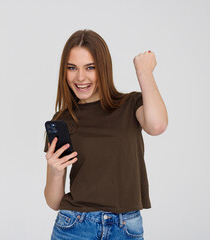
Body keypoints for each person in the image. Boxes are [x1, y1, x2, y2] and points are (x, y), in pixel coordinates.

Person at [43, 29, 168, 240]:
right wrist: (55, 172)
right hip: (74, 227)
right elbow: (54, 202)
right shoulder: (62, 119)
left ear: (104, 68)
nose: (80, 77)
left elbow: (157, 126)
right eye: (72, 68)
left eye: (90, 67)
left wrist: (144, 72)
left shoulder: (130, 105)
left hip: (126, 228)